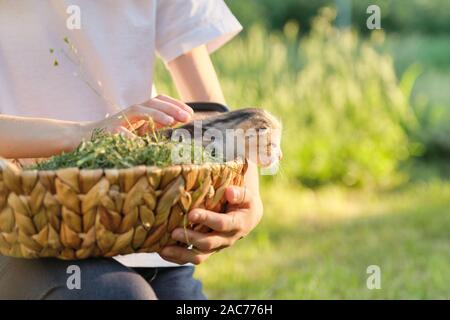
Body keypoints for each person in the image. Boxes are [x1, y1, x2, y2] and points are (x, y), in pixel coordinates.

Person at [0, 1, 263, 299]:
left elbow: (208, 108)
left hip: (143, 230)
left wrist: (246, 195)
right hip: (21, 232)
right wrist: (83, 134)